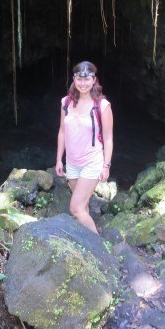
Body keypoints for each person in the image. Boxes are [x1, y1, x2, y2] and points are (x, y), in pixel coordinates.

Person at [55, 61, 113, 233]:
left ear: (94, 80)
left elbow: (109, 138)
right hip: (72, 162)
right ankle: (88, 245)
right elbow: (62, 132)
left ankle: (99, 249)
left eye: (87, 79)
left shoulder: (102, 106)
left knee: (75, 208)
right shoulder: (65, 102)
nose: (83, 84)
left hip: (92, 161)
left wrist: (106, 165)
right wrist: (59, 159)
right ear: (74, 80)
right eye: (79, 80)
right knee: (83, 207)